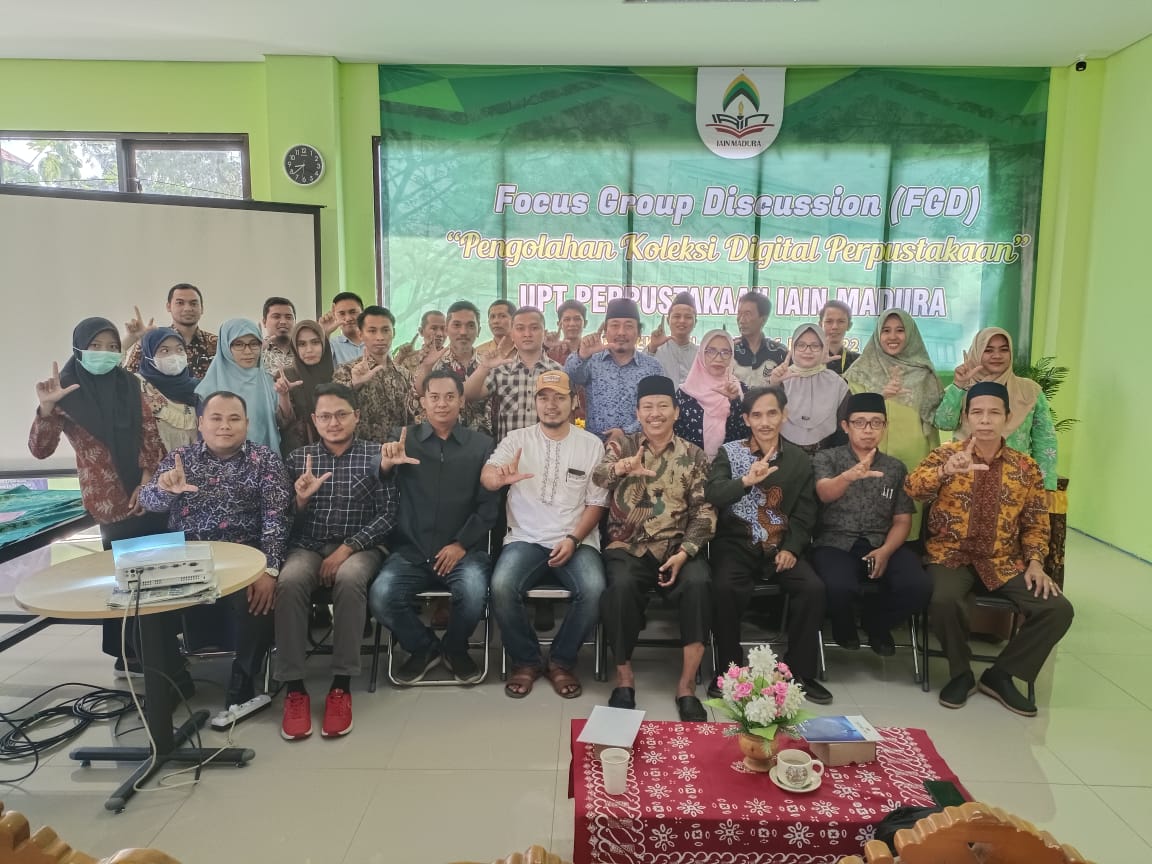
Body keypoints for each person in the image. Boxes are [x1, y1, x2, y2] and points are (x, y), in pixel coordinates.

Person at [906, 381, 1073, 717]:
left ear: (1007, 418)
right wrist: (943, 472)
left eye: (993, 413)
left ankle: (1002, 675)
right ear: (966, 417)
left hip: (1002, 561)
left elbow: (1037, 523)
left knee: (1058, 609)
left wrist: (1037, 563)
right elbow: (912, 487)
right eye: (977, 412)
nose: (985, 420)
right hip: (950, 556)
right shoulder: (947, 455)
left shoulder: (1025, 468)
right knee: (943, 599)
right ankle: (961, 672)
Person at [30, 317, 166, 674]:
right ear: (80, 348)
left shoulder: (128, 383)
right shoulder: (66, 392)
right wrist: (46, 409)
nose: (104, 353)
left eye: (111, 347)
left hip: (147, 492)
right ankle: (128, 653)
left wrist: (148, 480)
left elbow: (150, 434)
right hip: (108, 498)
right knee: (123, 577)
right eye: (96, 346)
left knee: (156, 571)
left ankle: (160, 645)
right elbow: (40, 449)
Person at [139, 390, 291, 709]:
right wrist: (165, 490)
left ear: (246, 424)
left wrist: (270, 569)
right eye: (216, 418)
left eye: (234, 419)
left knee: (259, 599)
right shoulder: (180, 458)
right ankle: (173, 676)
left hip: (243, 558)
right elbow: (148, 502)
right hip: (185, 558)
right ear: (201, 423)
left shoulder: (265, 460)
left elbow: (277, 518)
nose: (225, 426)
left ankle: (243, 677)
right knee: (135, 602)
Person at [277, 383, 398, 740]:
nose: (333, 422)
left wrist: (347, 548)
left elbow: (389, 515)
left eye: (341, 414)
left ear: (356, 416)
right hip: (309, 546)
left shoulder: (378, 456)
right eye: (325, 416)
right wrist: (299, 501)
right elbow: (285, 522)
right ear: (314, 420)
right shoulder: (299, 459)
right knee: (290, 580)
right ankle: (294, 688)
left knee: (349, 579)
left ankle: (341, 684)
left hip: (362, 547)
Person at [593, 375, 716, 721]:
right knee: (619, 589)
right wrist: (622, 468)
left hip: (677, 547)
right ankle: (625, 679)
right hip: (627, 546)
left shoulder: (693, 455)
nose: (655, 413)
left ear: (676, 411)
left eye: (663, 406)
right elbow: (599, 476)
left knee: (699, 584)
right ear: (638, 411)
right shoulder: (624, 445)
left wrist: (686, 551)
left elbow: (705, 510)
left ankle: (687, 686)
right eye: (648, 407)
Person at [368, 369, 499, 684]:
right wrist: (385, 463)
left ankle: (455, 647)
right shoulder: (403, 438)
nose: (442, 404)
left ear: (461, 401)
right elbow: (380, 478)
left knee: (474, 590)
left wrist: (461, 544)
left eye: (450, 397)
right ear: (422, 401)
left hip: (463, 551)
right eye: (434, 397)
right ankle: (423, 647)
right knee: (382, 595)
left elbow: (488, 506)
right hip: (411, 550)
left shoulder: (481, 445)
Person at [704, 386, 832, 705]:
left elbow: (805, 512)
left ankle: (798, 672)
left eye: (772, 413)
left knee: (812, 588)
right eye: (757, 415)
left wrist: (792, 547)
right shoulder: (729, 452)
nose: (765, 422)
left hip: (779, 545)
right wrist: (745, 481)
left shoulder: (800, 460)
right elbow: (714, 494)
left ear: (784, 414)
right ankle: (729, 671)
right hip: (736, 543)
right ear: (746, 419)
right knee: (723, 587)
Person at [486, 370, 607, 700]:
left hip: (576, 538)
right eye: (544, 397)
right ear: (535, 402)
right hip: (525, 538)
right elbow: (489, 473)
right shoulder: (517, 440)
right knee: (501, 586)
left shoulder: (591, 445)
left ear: (574, 402)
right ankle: (526, 661)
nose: (551, 405)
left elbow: (597, 504)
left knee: (595, 589)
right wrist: (496, 479)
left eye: (559, 397)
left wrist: (574, 539)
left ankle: (561, 661)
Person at [810, 392, 932, 654]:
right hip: (836, 542)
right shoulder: (827, 458)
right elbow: (824, 492)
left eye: (876, 423)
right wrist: (848, 476)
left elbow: (902, 519)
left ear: (885, 427)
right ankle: (844, 627)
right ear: (845, 426)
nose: (868, 430)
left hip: (882, 541)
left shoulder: (895, 467)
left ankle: (877, 624)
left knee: (918, 587)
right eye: (860, 422)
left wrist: (886, 551)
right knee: (837, 586)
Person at [844, 309, 943, 538]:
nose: (892, 336)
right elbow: (852, 413)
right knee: (871, 518)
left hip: (913, 456)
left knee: (909, 516)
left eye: (900, 330)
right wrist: (880, 396)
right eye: (886, 331)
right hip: (870, 454)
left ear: (910, 334)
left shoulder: (924, 373)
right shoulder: (862, 369)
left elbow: (933, 421)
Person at [934, 326, 1058, 491]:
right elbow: (943, 423)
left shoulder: (1029, 391)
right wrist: (959, 386)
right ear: (977, 353)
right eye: (989, 350)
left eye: (1004, 350)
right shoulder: (962, 388)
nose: (997, 356)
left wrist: (1045, 486)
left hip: (1016, 483)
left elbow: (1045, 440)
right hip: (966, 479)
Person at [565, 298, 665, 439]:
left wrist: (626, 432)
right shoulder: (592, 361)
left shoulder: (652, 367)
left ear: (639, 332)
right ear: (605, 331)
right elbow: (570, 376)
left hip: (640, 448)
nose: (621, 332)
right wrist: (582, 355)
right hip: (597, 449)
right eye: (615, 325)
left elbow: (660, 409)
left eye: (629, 326)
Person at [463, 306, 561, 443]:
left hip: (546, 452)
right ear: (512, 334)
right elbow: (467, 394)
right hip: (508, 454)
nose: (527, 334)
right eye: (520, 328)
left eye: (534, 328)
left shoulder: (558, 372)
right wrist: (484, 367)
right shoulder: (500, 370)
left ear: (544, 332)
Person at [197, 318, 287, 452]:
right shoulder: (209, 387)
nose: (248, 351)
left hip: (265, 463)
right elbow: (204, 437)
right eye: (238, 344)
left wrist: (285, 396)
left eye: (254, 343)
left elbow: (282, 424)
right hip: (221, 466)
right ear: (225, 347)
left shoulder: (268, 381)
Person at [332, 305, 416, 444]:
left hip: (398, 454)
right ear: (360, 334)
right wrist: (355, 384)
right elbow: (334, 408)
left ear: (393, 332)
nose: (380, 337)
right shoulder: (346, 370)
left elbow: (411, 418)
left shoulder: (404, 374)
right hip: (361, 456)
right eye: (372, 331)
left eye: (385, 330)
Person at [411, 300, 491, 435]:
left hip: (482, 446)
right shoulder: (434, 364)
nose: (463, 332)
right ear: (447, 330)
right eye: (457, 325)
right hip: (441, 444)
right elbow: (419, 393)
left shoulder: (489, 364)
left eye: (470, 326)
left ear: (479, 331)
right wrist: (426, 367)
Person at [771, 323, 850, 454]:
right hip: (784, 457)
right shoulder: (782, 379)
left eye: (815, 346)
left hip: (827, 457)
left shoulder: (837, 383)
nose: (808, 351)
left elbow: (844, 427)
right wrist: (773, 385)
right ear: (793, 348)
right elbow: (767, 420)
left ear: (823, 348)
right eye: (801, 345)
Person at [673, 329, 748, 458]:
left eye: (725, 352)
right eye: (711, 351)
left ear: (732, 356)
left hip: (729, 467)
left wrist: (734, 402)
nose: (718, 358)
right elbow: (677, 437)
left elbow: (744, 435)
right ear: (701, 353)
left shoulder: (741, 390)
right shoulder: (685, 393)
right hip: (691, 468)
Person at [123, 283, 218, 378]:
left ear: (202, 308)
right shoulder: (154, 340)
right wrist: (136, 339)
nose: (188, 308)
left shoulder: (217, 343)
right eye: (180, 303)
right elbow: (130, 375)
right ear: (168, 306)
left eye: (193, 303)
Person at [135, 327, 199, 453]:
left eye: (180, 349)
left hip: (193, 469)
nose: (174, 356)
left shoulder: (199, 389)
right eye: (164, 350)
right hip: (153, 470)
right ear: (149, 355)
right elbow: (107, 377)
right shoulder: (138, 385)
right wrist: (130, 339)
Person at [279, 320, 336, 455]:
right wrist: (284, 395)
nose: (309, 350)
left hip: (335, 448)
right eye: (302, 344)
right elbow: (285, 422)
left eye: (315, 342)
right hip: (299, 453)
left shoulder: (338, 375)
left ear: (324, 344)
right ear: (294, 347)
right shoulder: (287, 376)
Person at [544, 299, 588, 424]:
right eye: (567, 319)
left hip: (590, 420)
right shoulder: (550, 354)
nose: (572, 323)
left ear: (585, 323)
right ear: (559, 323)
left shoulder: (593, 354)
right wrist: (545, 346)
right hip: (558, 420)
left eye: (577, 319)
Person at [732, 292, 787, 389]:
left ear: (763, 319)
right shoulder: (730, 350)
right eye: (739, 313)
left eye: (747, 314)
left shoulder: (780, 353)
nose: (741, 320)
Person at [646, 292, 699, 387]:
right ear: (668, 320)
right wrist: (653, 346)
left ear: (695, 322)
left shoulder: (700, 354)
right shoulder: (656, 350)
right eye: (677, 316)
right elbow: (641, 371)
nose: (682, 321)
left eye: (688, 317)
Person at [394, 309, 446, 375]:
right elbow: (389, 381)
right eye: (433, 328)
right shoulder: (409, 360)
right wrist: (399, 358)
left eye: (443, 329)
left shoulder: (453, 359)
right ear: (421, 331)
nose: (439, 334)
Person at [819, 300, 860, 374]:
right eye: (829, 321)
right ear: (820, 324)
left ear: (849, 325)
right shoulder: (808, 358)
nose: (835, 327)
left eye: (841, 321)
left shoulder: (857, 361)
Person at [325, 291, 365, 366]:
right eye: (342, 314)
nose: (348, 318)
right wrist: (326, 333)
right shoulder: (332, 345)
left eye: (353, 312)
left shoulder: (374, 342)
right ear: (334, 316)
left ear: (362, 313)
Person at [260, 297, 297, 375]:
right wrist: (258, 352)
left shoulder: (304, 349)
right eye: (276, 317)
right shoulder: (257, 351)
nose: (283, 322)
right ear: (264, 322)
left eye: (288, 317)